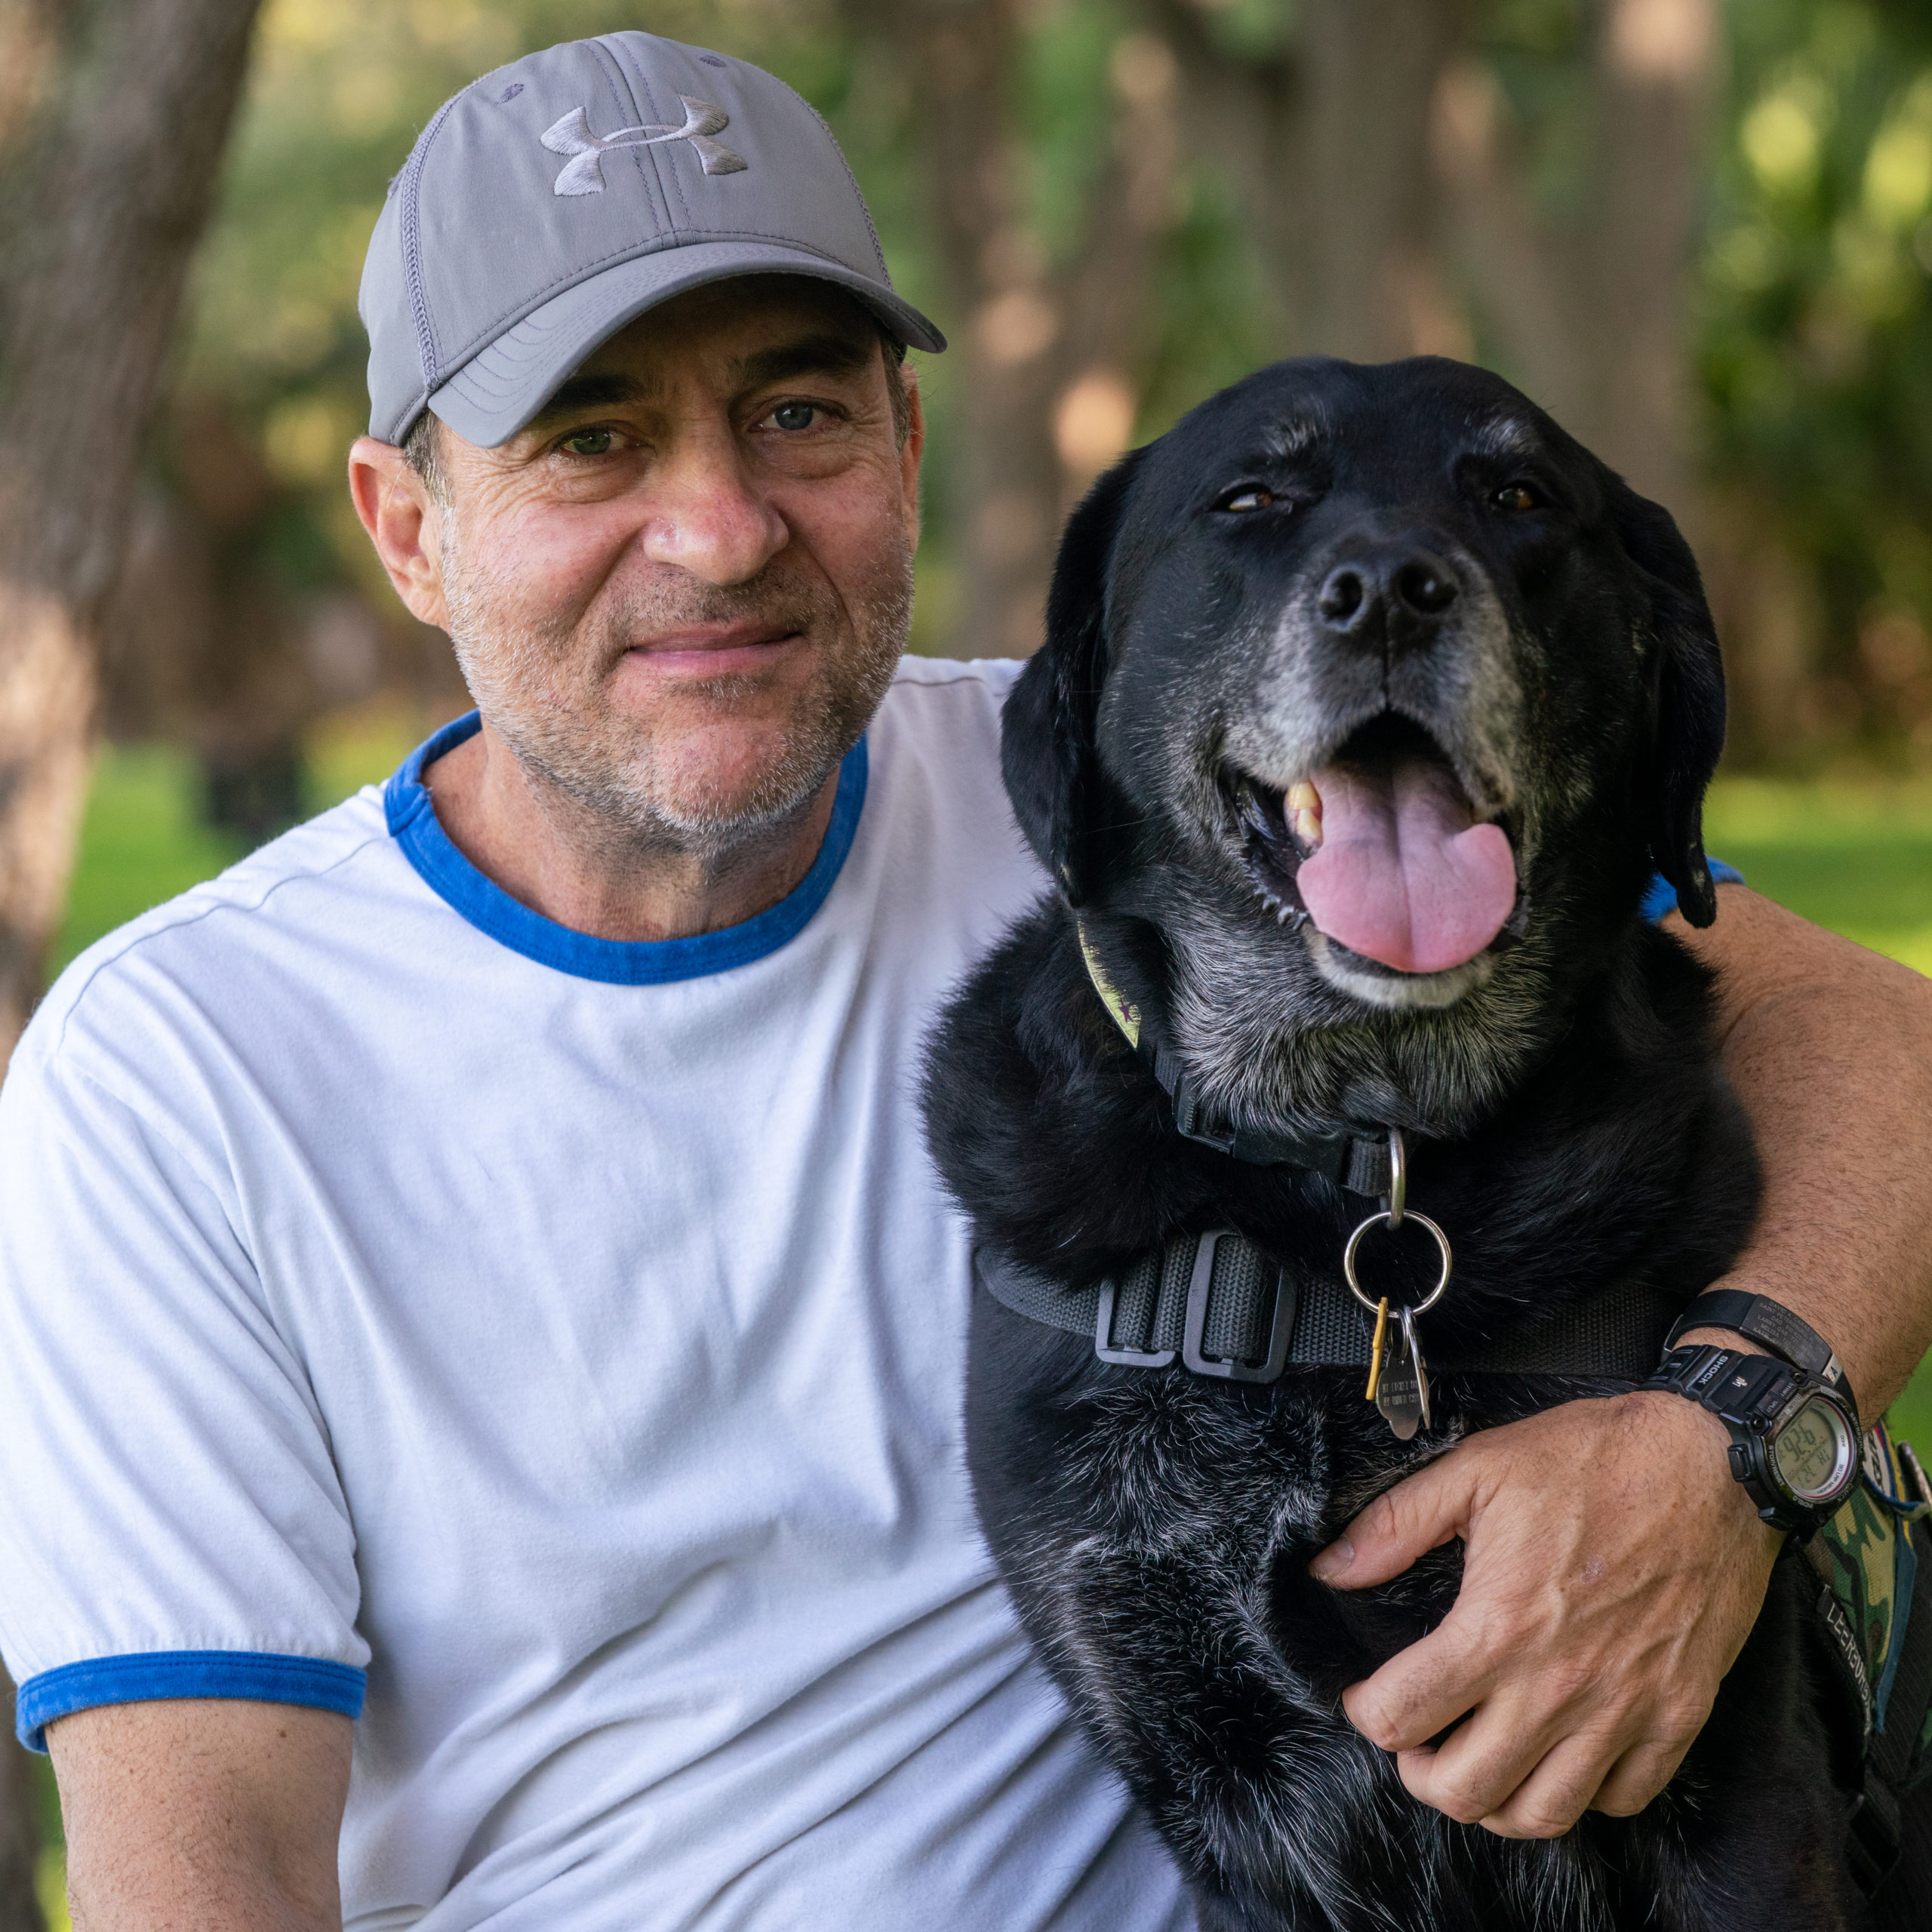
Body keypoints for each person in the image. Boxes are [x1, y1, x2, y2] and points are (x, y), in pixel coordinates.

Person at [0, 28, 1927, 1930]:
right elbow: (209, 1880)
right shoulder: (181, 1072)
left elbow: (1870, 1035)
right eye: (592, 439)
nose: (719, 528)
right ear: (407, 530)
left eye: (797, 414)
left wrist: (1721, 1437)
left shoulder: (1162, 803)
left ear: (904, 449)